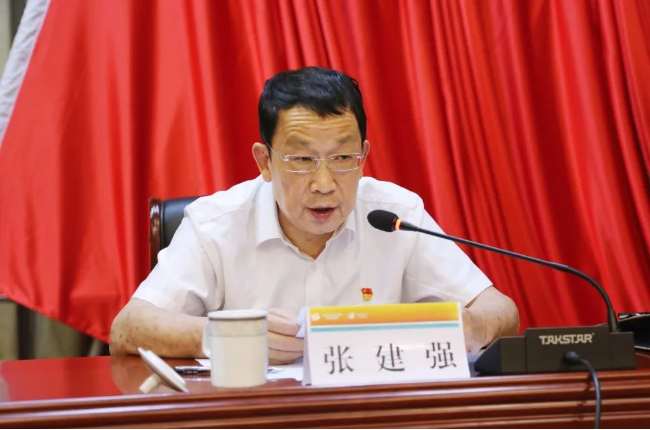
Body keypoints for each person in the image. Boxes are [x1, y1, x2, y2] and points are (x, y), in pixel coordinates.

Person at [110, 67, 519, 362]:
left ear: (363, 156)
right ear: (265, 161)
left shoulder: (395, 215)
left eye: (342, 158)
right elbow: (127, 328)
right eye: (302, 160)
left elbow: (501, 311)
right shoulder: (216, 223)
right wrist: (230, 336)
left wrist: (471, 326)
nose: (324, 184)